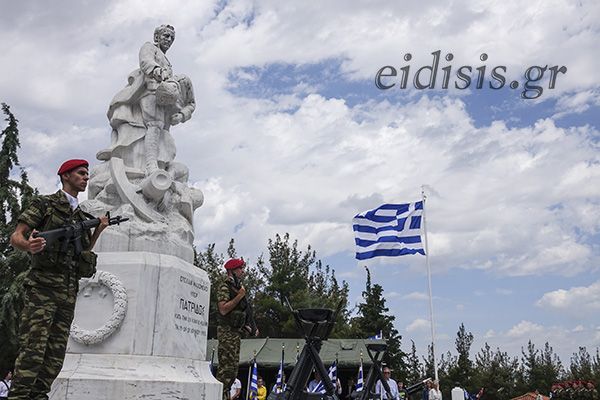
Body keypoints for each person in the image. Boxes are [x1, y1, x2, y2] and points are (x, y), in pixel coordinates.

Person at [8, 159, 110, 400]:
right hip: (42, 289)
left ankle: (39, 396)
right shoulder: (45, 204)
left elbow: (82, 254)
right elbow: (17, 236)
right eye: (81, 173)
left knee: (54, 356)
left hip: (67, 293)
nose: (86, 178)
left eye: (87, 174)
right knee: (33, 349)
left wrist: (98, 231)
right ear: (65, 176)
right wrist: (29, 246)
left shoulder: (81, 217)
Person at [105, 24, 195, 176]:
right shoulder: (149, 47)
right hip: (150, 90)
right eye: (166, 36)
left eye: (172, 38)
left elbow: (191, 104)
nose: (169, 39)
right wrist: (157, 70)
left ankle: (159, 164)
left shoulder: (172, 68)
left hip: (165, 99)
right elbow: (146, 61)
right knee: (154, 124)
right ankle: (151, 165)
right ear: (156, 37)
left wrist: (181, 115)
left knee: (162, 132)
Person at [216, 258, 258, 400]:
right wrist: (239, 296)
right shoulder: (225, 287)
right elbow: (223, 309)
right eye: (240, 269)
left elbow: (241, 312)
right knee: (226, 371)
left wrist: (249, 327)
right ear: (231, 271)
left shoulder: (238, 288)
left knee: (232, 372)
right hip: (226, 333)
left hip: (235, 333)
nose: (243, 272)